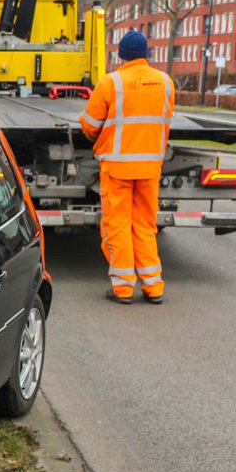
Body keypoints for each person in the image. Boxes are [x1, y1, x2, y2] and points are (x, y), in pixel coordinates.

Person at [80, 29, 175, 305]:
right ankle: (153, 286)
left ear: (121, 55)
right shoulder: (165, 82)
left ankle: (123, 288)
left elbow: (90, 125)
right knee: (145, 225)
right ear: (146, 54)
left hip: (118, 168)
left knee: (117, 226)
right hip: (150, 168)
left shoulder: (111, 83)